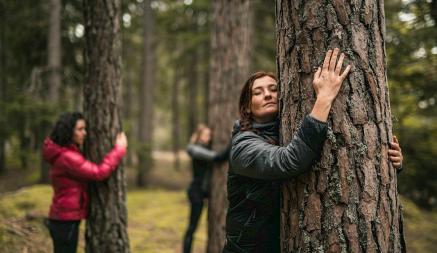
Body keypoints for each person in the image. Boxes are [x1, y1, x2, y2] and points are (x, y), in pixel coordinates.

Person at [222, 49, 404, 252]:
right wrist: (324, 97)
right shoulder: (243, 146)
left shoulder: (283, 133)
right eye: (258, 92)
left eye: (273, 89)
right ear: (247, 107)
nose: (267, 94)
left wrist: (391, 162)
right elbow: (289, 160)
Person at [42, 112, 127, 253]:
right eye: (80, 129)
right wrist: (118, 150)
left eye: (84, 129)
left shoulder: (66, 152)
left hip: (63, 218)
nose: (85, 133)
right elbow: (98, 172)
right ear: (69, 132)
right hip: (65, 220)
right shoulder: (68, 157)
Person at [183, 124, 230, 253]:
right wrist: (235, 138)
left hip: (205, 191)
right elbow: (219, 157)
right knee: (192, 227)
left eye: (209, 135)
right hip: (196, 192)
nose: (208, 137)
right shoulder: (196, 149)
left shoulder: (205, 147)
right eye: (205, 134)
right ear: (199, 135)